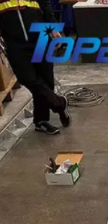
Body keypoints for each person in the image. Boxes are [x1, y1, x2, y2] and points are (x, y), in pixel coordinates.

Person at [0, 0, 71, 135]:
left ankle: (41, 121)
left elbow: (45, 4)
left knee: (46, 80)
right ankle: (60, 103)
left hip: (40, 38)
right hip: (14, 44)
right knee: (27, 78)